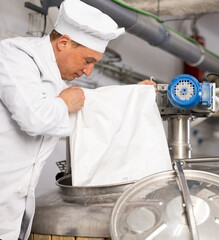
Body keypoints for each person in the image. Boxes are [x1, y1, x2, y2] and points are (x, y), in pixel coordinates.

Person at [0, 0, 155, 239]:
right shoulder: (15, 56)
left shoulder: (59, 81)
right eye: (88, 60)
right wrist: (64, 102)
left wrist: (134, 95)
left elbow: (88, 106)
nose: (88, 72)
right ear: (64, 43)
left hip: (15, 210)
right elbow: (35, 118)